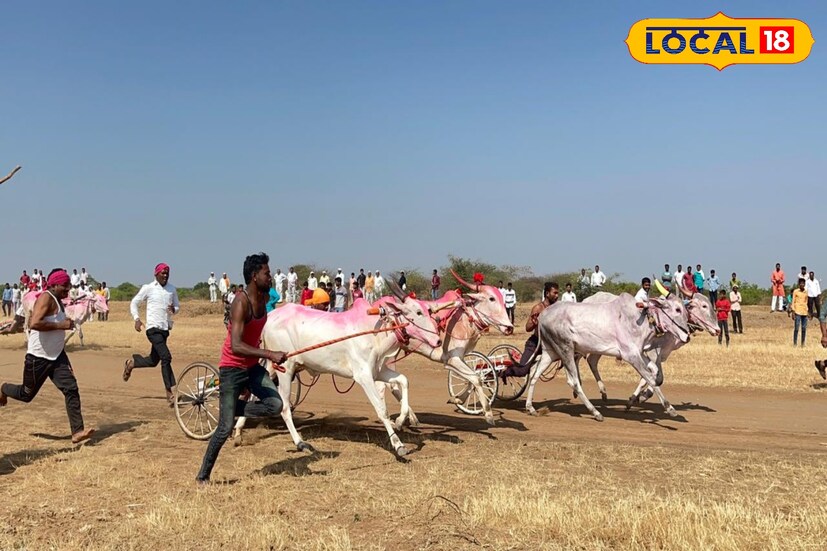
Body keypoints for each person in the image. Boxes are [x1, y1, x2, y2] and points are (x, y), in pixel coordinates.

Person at [196, 253, 286, 484]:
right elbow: (236, 345)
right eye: (267, 273)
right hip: (232, 369)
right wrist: (269, 354)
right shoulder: (240, 302)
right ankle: (203, 476)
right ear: (255, 276)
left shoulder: (266, 297)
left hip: (252, 368)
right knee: (225, 429)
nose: (270, 276)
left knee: (276, 404)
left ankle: (235, 407)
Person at [0, 269, 95, 444]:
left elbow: (53, 321)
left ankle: (77, 431)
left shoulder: (58, 300)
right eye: (64, 286)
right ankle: (4, 388)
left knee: (71, 388)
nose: (67, 289)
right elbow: (34, 323)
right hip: (38, 357)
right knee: (26, 395)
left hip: (57, 356)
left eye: (68, 286)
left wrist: (65, 324)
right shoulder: (45, 298)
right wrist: (61, 325)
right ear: (54, 284)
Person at [122, 263, 181, 405]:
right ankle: (169, 393)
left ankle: (131, 364)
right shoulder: (148, 288)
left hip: (164, 330)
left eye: (167, 273)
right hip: (152, 330)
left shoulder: (172, 289)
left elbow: (177, 307)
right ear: (156, 274)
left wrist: (174, 309)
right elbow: (134, 303)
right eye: (163, 273)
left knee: (154, 360)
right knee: (166, 357)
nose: (165, 275)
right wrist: (136, 319)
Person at [504, 282, 559, 378]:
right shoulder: (538, 308)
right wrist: (534, 322)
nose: (557, 296)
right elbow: (527, 328)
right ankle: (505, 372)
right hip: (534, 344)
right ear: (547, 294)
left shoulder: (556, 309)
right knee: (522, 371)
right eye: (555, 293)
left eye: (557, 293)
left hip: (549, 344)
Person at [792, 279, 809, 346]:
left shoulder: (806, 292)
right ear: (799, 284)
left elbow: (806, 302)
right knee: (796, 328)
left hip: (804, 312)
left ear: (804, 284)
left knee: (804, 328)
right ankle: (795, 343)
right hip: (797, 311)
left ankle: (802, 343)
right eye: (801, 283)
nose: (802, 284)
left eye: (803, 283)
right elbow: (793, 301)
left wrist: (808, 311)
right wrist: (793, 311)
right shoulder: (796, 291)